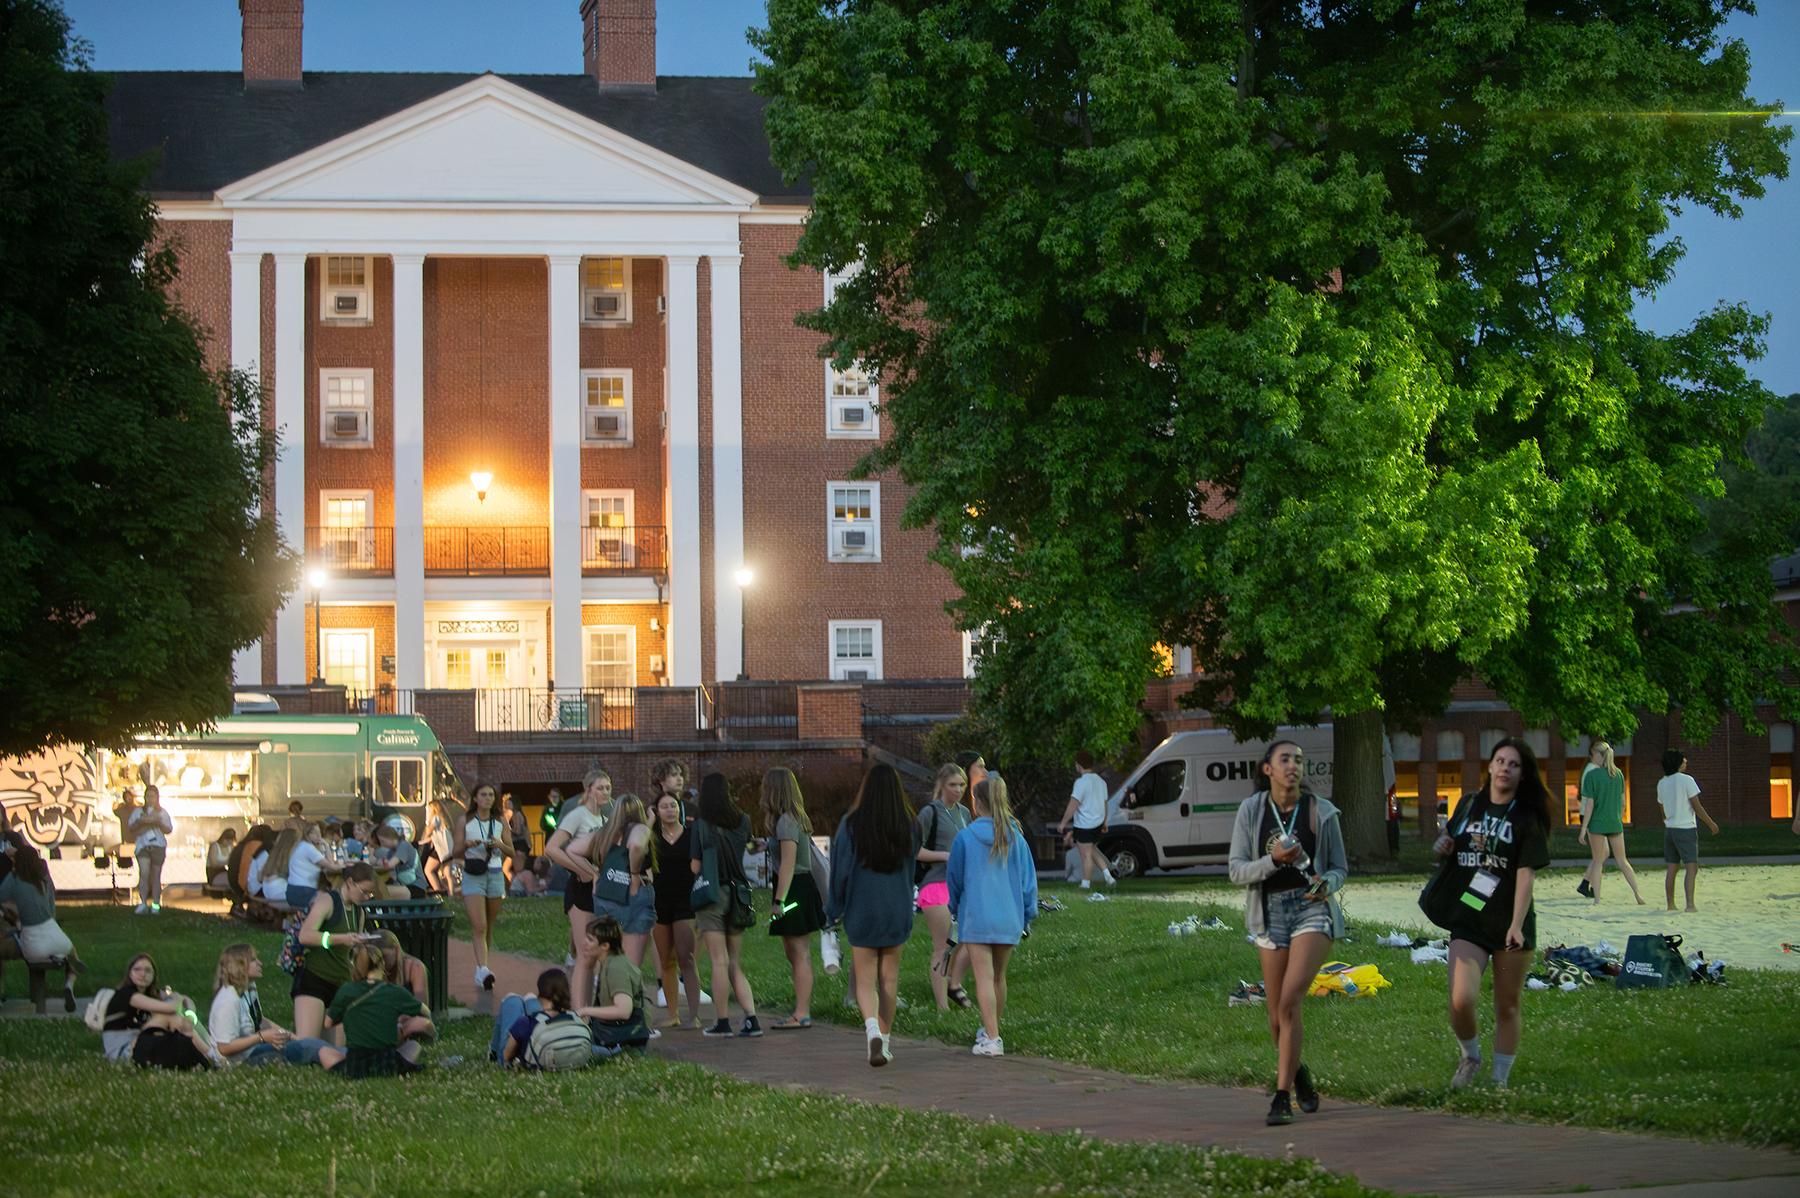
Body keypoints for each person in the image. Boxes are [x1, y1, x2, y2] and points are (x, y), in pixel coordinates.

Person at [1227, 739, 1349, 1126]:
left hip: (1311, 910)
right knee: (1276, 1021)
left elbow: (1340, 869)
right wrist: (1272, 860)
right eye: (1285, 760)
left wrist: (1325, 884)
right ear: (1268, 769)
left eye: (1299, 760)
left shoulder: (1321, 812)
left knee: (1291, 1001)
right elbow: (1236, 871)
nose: (1293, 766)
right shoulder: (1251, 811)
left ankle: (1281, 1098)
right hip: (1270, 913)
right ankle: (1299, 1075)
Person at [1432, 737, 1552, 1092]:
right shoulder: (1470, 804)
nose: (1504, 768)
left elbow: (1525, 874)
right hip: (1469, 917)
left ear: (1523, 774)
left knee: (1507, 1005)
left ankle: (1499, 1080)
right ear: (1490, 766)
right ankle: (1470, 1056)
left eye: (1513, 764)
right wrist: (1442, 845)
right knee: (1460, 999)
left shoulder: (1526, 818)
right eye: (1500, 761)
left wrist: (1515, 925)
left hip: (1509, 922)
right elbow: (1449, 845)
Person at [828, 763, 920, 1066]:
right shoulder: (909, 824)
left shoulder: (851, 825)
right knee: (889, 981)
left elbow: (839, 871)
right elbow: (912, 866)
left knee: (865, 981)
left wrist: (834, 909)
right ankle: (886, 1037)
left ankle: (871, 1031)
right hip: (896, 907)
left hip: (862, 908)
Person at [946, 772, 1036, 1058]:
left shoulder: (965, 838)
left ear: (976, 802)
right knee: (999, 978)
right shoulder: (1015, 837)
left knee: (983, 978)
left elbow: (955, 880)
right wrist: (1027, 914)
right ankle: (991, 1029)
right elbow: (1027, 882)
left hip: (977, 916)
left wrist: (955, 907)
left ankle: (993, 1038)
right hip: (1008, 916)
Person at [690, 772, 762, 1038]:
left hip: (712, 893)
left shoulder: (701, 824)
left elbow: (695, 865)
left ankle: (722, 1022)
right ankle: (752, 1019)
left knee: (718, 962)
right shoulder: (743, 820)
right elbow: (750, 846)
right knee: (734, 962)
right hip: (739, 892)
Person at [208, 942, 341, 1068]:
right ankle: (344, 1061)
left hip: (250, 1051)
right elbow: (224, 1048)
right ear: (240, 966)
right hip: (237, 1063)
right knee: (307, 1049)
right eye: (254, 960)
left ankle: (345, 1055)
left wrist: (290, 1036)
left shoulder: (248, 988)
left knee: (306, 1044)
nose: (260, 963)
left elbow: (259, 1021)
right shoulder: (228, 1000)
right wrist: (261, 1038)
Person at [762, 767, 825, 1030]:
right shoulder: (791, 819)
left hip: (794, 888)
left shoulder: (787, 821)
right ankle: (801, 1009)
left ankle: (802, 1013)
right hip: (796, 885)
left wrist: (778, 901)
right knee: (795, 952)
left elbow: (788, 864)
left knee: (799, 953)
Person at [544, 765, 612, 1000]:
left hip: (600, 888)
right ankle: (579, 1012)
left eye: (608, 788)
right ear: (589, 790)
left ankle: (596, 1008)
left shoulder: (603, 819)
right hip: (580, 888)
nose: (605, 792)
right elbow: (552, 848)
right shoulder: (578, 815)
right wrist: (582, 871)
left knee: (598, 950)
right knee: (586, 954)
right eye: (600, 788)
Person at [291, 862, 380, 1043]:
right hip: (315, 979)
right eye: (364, 892)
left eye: (369, 894)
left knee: (339, 1050)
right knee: (307, 1046)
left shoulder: (358, 911)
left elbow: (353, 950)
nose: (366, 897)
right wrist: (340, 939)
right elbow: (305, 936)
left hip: (341, 984)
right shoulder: (328, 901)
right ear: (349, 883)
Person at [914, 762, 973, 1010]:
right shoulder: (930, 812)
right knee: (943, 946)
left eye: (962, 785)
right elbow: (915, 850)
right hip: (935, 884)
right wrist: (944, 856)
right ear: (941, 785)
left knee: (968, 940)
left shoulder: (965, 813)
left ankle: (953, 984)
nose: (958, 789)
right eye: (953, 785)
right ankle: (942, 1008)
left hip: (961, 885)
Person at [325, 943, 433, 1078]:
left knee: (325, 1052)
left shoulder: (346, 990)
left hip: (356, 1065)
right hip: (386, 1062)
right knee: (413, 1045)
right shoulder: (394, 991)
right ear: (381, 964)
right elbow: (426, 1012)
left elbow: (328, 1024)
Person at [100, 953, 220, 1068]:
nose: (142, 974)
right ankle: (213, 1055)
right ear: (129, 973)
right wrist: (177, 1000)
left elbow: (187, 1000)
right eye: (137, 969)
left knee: (180, 1019)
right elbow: (172, 1007)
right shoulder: (127, 994)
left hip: (143, 1044)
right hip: (122, 1051)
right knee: (167, 1016)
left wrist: (188, 1013)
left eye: (148, 970)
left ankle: (210, 1053)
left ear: (154, 975)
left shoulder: (152, 993)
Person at [0, 844, 85, 1007]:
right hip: (58, 937)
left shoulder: (14, 878)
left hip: (34, 945)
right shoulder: (43, 877)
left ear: (17, 862)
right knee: (71, 954)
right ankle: (69, 985)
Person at [579, 794, 656, 970]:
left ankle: (605, 991)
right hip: (633, 893)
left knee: (608, 952)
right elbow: (637, 845)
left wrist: (593, 874)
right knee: (631, 962)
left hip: (606, 891)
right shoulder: (639, 829)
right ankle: (626, 994)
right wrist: (635, 874)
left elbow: (573, 849)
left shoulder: (605, 834)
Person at [453, 781, 516, 991]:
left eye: (491, 795)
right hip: (473, 875)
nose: (488, 798)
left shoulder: (500, 821)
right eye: (483, 794)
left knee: (488, 924)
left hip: (495, 874)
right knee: (479, 925)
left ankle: (483, 966)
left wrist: (498, 844)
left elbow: (512, 852)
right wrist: (467, 845)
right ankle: (483, 969)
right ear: (475, 798)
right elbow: (455, 852)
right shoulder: (466, 820)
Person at [650, 790, 704, 1029]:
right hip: (660, 902)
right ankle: (673, 1013)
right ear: (656, 811)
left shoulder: (691, 835)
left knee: (686, 958)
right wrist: (648, 824)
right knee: (666, 960)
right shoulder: (651, 837)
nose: (670, 810)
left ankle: (693, 1014)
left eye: (673, 805)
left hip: (685, 902)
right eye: (664, 806)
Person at [1576, 741, 1644, 905]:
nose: (1591, 758)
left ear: (1599, 756)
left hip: (1597, 824)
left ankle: (1597, 899)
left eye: (1593, 754)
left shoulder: (1592, 776)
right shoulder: (1618, 774)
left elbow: (1590, 805)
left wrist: (1583, 829)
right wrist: (1618, 818)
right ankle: (1638, 895)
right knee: (1623, 861)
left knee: (1598, 861)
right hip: (1614, 823)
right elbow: (1622, 802)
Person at [577, 914, 650, 1056]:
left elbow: (624, 1011)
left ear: (605, 946)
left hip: (623, 1043)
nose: (584, 943)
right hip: (613, 1035)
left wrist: (585, 1011)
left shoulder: (617, 968)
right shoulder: (609, 961)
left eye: (590, 940)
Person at [1657, 748, 1719, 912]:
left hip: (1670, 829)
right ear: (1678, 763)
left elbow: (1662, 808)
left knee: (1672, 867)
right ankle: (1690, 904)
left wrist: (1668, 821)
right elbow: (1696, 806)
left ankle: (1670, 904)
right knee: (1691, 867)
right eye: (1683, 760)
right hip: (1686, 828)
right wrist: (1710, 823)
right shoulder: (1687, 780)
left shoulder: (1662, 783)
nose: (1686, 762)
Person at [491, 966, 588, 1067]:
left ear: (541, 992)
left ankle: (493, 1051)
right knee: (529, 998)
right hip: (561, 1051)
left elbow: (506, 1055)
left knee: (512, 1000)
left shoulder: (525, 1023)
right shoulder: (574, 1018)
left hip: (523, 1061)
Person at [373, 929, 436, 1064]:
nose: (381, 963)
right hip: (384, 1022)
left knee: (420, 1025)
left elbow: (422, 1007)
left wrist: (400, 1018)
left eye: (384, 957)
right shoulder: (374, 970)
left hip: (409, 1021)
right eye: (378, 959)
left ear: (396, 950)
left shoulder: (415, 967)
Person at [1058, 750, 1115, 890]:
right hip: (1098, 823)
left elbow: (1073, 804)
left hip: (1084, 824)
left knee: (1086, 855)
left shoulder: (1081, 782)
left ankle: (1085, 884)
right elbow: (1105, 804)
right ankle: (1108, 876)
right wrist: (1105, 822)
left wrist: (1063, 822)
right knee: (1093, 850)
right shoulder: (1101, 782)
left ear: (1079, 765)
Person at [127, 784, 173, 914]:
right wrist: (142, 822)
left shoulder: (162, 813)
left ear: (157, 797)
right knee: (144, 873)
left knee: (156, 875)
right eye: (148, 796)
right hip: (142, 845)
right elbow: (131, 827)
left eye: (153, 796)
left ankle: (156, 905)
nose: (150, 799)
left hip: (158, 845)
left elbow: (169, 829)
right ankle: (142, 903)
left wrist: (157, 822)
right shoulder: (138, 812)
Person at [371, 822, 426, 898]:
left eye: (383, 842)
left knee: (381, 892)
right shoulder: (392, 851)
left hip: (416, 887)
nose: (382, 845)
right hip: (405, 886)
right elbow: (384, 864)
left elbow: (390, 865)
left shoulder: (403, 845)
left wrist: (376, 862)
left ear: (389, 837)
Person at [256, 827, 297, 904]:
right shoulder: (292, 854)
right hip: (281, 894)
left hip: (268, 892)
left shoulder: (273, 854)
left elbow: (259, 878)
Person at [421, 798, 454, 895]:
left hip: (440, 850)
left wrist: (428, 822)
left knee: (428, 870)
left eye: (429, 809)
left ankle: (437, 891)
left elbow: (428, 831)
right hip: (448, 849)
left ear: (433, 809)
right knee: (448, 873)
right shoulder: (443, 819)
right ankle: (451, 894)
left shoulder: (435, 818)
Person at [505, 794, 530, 885]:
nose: (507, 805)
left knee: (518, 867)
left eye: (509, 803)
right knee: (511, 868)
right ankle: (515, 884)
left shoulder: (517, 815)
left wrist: (508, 828)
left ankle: (519, 885)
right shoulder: (512, 815)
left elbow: (518, 831)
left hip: (520, 844)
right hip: (516, 843)